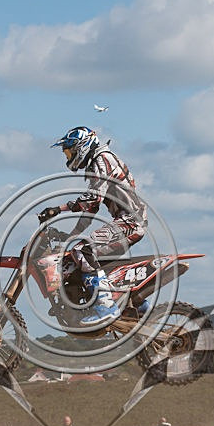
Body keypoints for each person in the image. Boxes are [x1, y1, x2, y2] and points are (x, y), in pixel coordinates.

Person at [41, 126, 147, 326]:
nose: (69, 156)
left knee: (83, 250)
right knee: (80, 255)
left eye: (69, 151)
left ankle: (106, 307)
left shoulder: (102, 159)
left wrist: (58, 209)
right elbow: (91, 211)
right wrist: (71, 235)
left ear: (81, 146)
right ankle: (138, 304)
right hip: (127, 221)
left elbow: (92, 199)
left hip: (130, 221)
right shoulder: (96, 164)